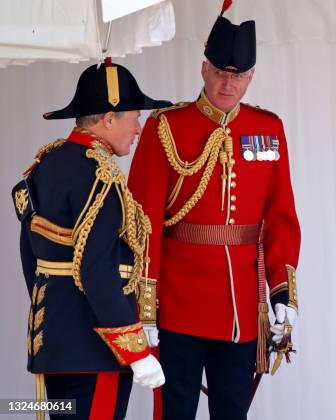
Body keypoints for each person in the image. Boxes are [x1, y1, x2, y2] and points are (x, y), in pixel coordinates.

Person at [127, 8, 301, 420]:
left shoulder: (268, 128)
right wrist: (144, 305)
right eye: (221, 72)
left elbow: (281, 216)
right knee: (176, 412)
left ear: (251, 77)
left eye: (238, 75)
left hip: (241, 308)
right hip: (178, 304)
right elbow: (143, 219)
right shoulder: (166, 127)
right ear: (203, 70)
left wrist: (282, 292)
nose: (228, 83)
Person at [12, 59, 171, 419]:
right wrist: (135, 351)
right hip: (96, 348)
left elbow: (30, 256)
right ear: (109, 118)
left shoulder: (46, 163)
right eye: (133, 115)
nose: (138, 126)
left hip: (53, 342)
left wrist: (59, 312)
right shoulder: (100, 177)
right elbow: (98, 268)